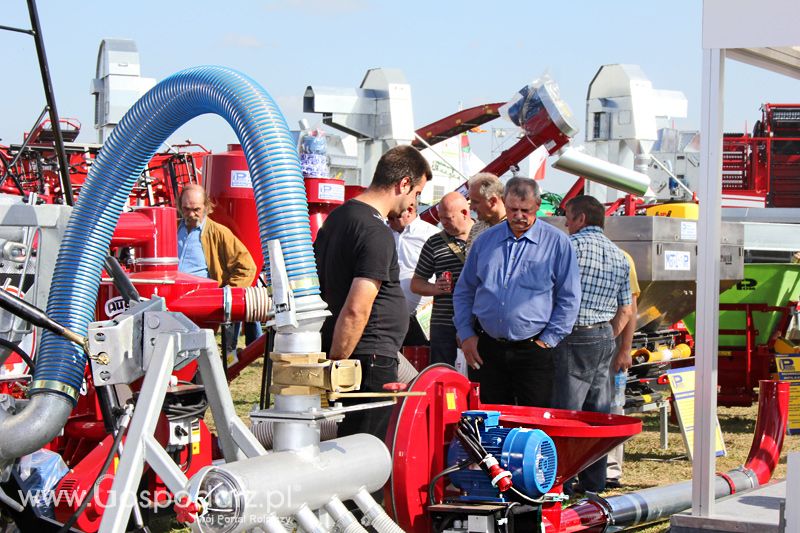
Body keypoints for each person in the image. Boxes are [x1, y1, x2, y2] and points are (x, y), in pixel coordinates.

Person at [314, 144, 430, 440]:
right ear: (403, 183)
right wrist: (338, 364)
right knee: (367, 453)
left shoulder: (338, 219)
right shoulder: (375, 230)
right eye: (416, 193)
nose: (413, 203)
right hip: (368, 360)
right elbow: (357, 308)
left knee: (350, 441)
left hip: (358, 355)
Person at [453, 177, 580, 407]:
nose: (519, 216)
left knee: (533, 422)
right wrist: (466, 334)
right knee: (488, 419)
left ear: (538, 206)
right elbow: (464, 290)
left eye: (526, 210)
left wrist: (548, 341)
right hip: (487, 349)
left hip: (534, 351)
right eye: (512, 210)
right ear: (503, 202)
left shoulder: (558, 244)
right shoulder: (485, 241)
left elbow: (569, 298)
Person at [553, 195, 633, 495]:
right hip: (602, 335)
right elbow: (626, 309)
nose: (565, 223)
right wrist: (608, 334)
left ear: (581, 220)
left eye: (569, 218)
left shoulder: (568, 248)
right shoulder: (619, 256)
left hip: (572, 334)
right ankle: (593, 483)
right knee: (597, 415)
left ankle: (560, 481)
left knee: (566, 414)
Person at [177, 184, 258, 353]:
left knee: (196, 353)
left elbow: (247, 267)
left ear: (206, 206)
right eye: (186, 209)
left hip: (200, 305)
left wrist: (227, 295)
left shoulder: (219, 233)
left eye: (196, 209)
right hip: (173, 303)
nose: (191, 214)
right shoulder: (173, 228)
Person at [410, 192, 473, 366]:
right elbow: (416, 283)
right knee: (443, 375)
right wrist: (435, 288)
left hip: (477, 322)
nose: (443, 223)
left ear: (464, 213)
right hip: (444, 324)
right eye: (441, 218)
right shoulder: (434, 243)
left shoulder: (485, 236)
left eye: (448, 218)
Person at [606, 251, 640, 489]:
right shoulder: (624, 256)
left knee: (613, 405)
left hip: (611, 340)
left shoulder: (623, 258)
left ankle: (610, 470)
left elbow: (630, 308)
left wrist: (625, 349)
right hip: (603, 340)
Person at [388, 203, 439, 346]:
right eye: (388, 218)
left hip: (421, 318)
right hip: (390, 315)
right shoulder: (385, 233)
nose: (390, 222)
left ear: (409, 211)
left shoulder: (431, 234)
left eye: (393, 218)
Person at [466, 172, 506, 252]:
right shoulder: (475, 229)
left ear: (492, 201)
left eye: (475, 202)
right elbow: (469, 262)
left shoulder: (516, 228)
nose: (471, 207)